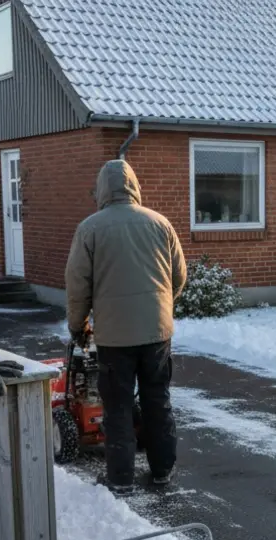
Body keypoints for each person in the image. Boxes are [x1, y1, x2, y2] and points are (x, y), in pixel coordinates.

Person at [66, 159, 187, 494]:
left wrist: (78, 326)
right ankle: (163, 470)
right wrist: (160, 306)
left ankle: (120, 479)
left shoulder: (90, 228)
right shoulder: (160, 224)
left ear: (102, 189)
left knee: (117, 406)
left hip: (114, 338)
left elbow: (78, 287)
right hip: (157, 334)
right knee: (157, 399)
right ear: (134, 185)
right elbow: (178, 277)